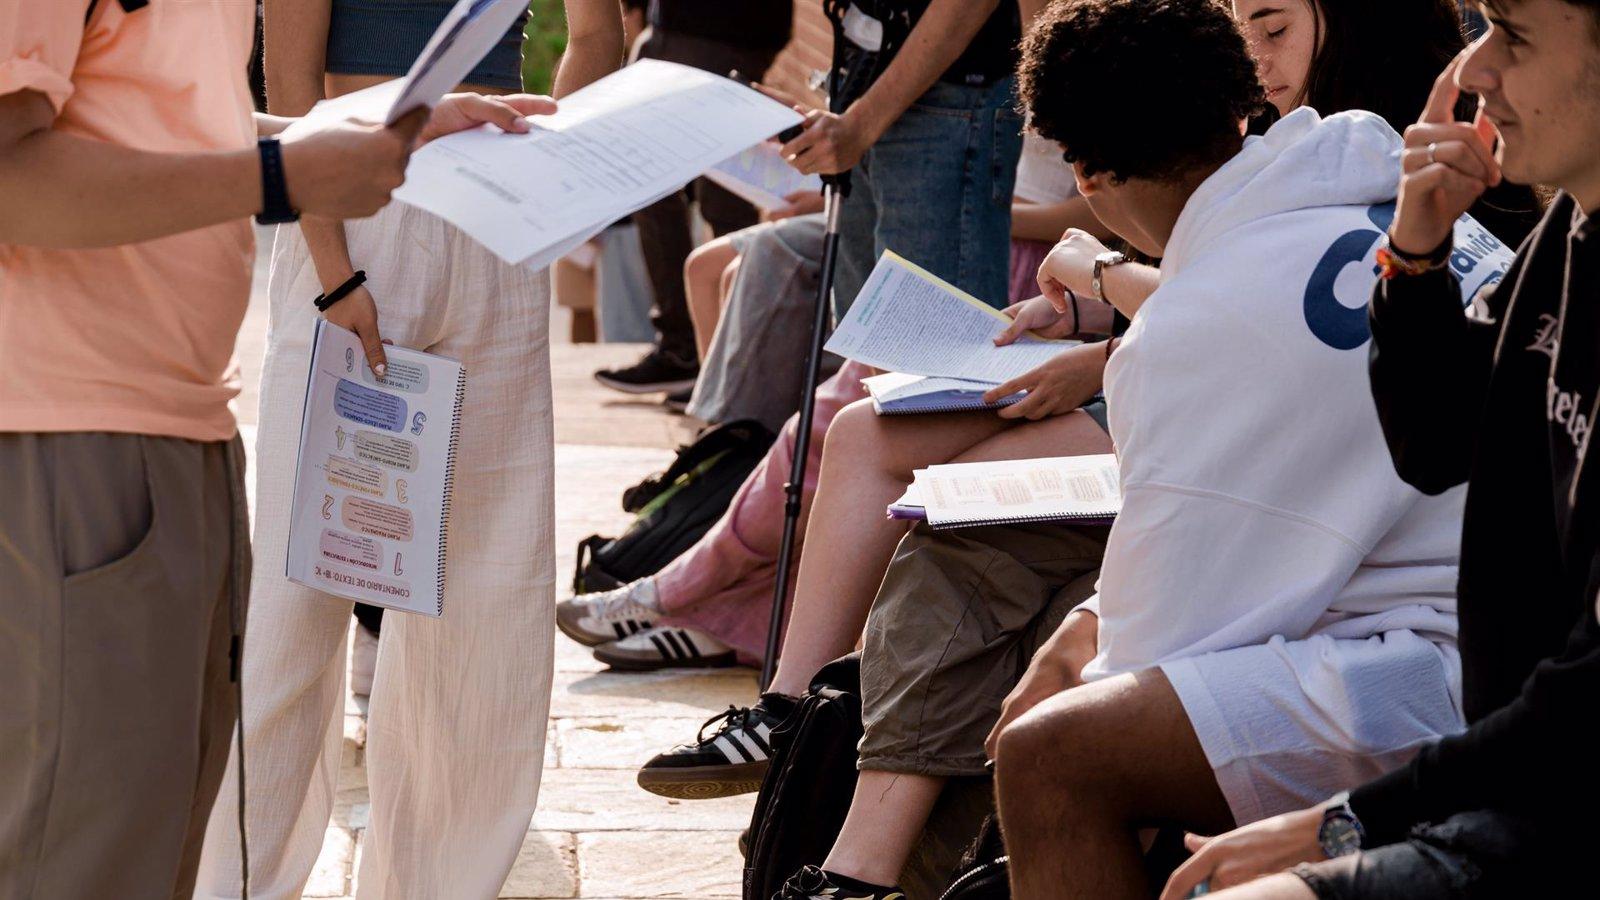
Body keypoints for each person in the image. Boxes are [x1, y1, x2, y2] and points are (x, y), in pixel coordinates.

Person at [0, 1, 549, 896]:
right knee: (88, 829)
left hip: (180, 426)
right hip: (73, 429)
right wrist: (285, 177)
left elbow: (167, 124)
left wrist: (357, 139)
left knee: (154, 814)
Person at [1161, 1, 1600, 896]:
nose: (1474, 72)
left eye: (1511, 37)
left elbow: (1589, 698)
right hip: (1521, 783)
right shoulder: (1572, 235)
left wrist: (1348, 821)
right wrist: (1417, 246)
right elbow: (1436, 441)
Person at [191, 2, 623, 898]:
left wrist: (550, 190)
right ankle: (235, 881)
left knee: (486, 578)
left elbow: (597, 39)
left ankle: (440, 881)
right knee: (296, 581)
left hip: (494, 220)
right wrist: (332, 265)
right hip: (356, 217)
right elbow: (292, 84)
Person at [558, 0, 1027, 674]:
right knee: (856, 405)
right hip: (871, 94)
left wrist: (862, 119)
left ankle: (713, 604)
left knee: (894, 409)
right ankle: (771, 634)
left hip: (935, 104)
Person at [593, 0, 794, 402]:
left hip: (709, 33)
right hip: (698, 31)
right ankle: (706, 355)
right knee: (683, 190)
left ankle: (705, 356)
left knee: (712, 196)